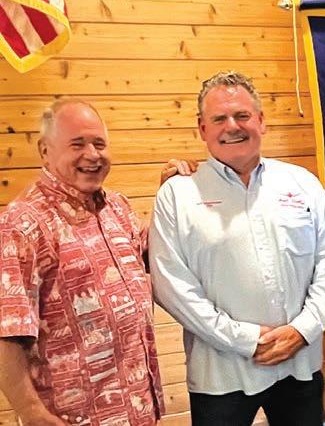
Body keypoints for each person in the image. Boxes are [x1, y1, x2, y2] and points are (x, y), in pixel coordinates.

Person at [149, 71, 325, 426]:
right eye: (219, 119)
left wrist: (303, 329)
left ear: (261, 121)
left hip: (298, 364)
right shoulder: (178, 194)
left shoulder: (301, 183)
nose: (232, 126)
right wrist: (243, 339)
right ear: (202, 128)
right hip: (220, 374)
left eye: (242, 115)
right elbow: (171, 285)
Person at [0, 97, 195, 425]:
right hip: (72, 418)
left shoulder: (117, 207)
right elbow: (6, 330)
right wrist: (31, 413)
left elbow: (153, 256)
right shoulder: (22, 224)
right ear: (45, 150)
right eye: (77, 144)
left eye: (99, 144)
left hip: (138, 411)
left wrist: (170, 196)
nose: (92, 155)